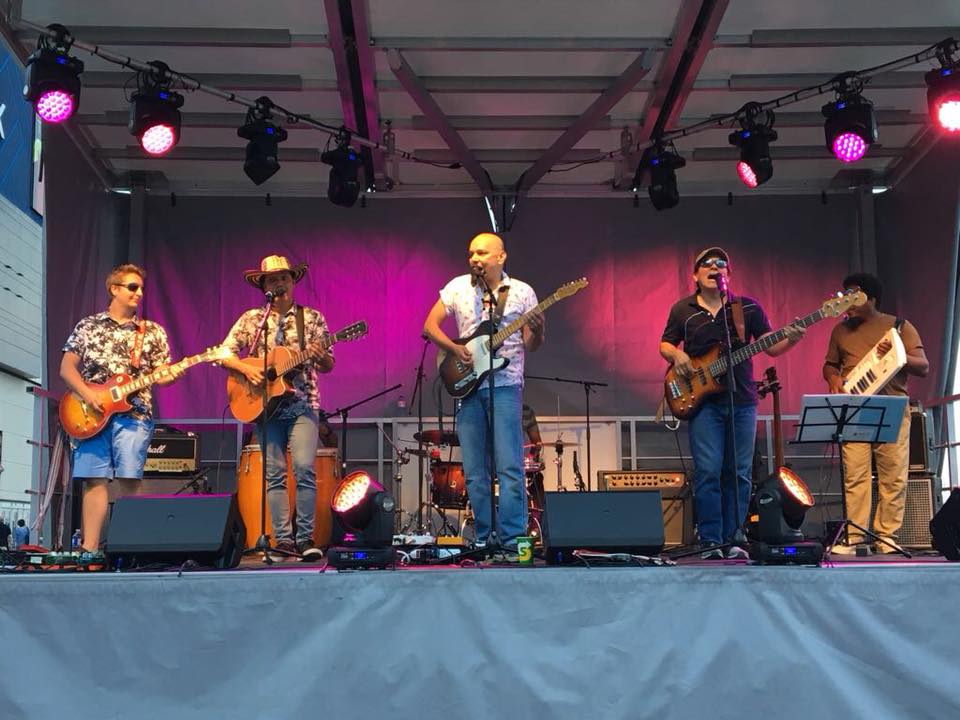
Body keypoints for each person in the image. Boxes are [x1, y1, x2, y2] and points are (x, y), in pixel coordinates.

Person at [659, 247, 805, 559]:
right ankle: (711, 540)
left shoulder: (746, 308)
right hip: (703, 403)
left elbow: (771, 345)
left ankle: (734, 538)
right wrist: (677, 354)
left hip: (742, 401)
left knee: (739, 472)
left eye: (721, 263)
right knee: (708, 471)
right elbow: (665, 344)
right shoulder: (682, 309)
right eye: (707, 264)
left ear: (728, 274)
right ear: (695, 275)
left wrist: (792, 337)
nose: (715, 267)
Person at [423, 233, 545, 554]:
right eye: (471, 253)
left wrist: (539, 329)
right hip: (469, 386)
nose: (474, 259)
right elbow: (429, 326)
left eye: (481, 253)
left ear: (501, 257)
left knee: (509, 467)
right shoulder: (457, 287)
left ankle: (512, 539)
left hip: (505, 385)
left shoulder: (521, 292)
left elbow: (531, 343)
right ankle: (484, 537)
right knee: (475, 471)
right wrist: (454, 349)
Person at [60, 263, 182, 553]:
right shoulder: (88, 326)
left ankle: (132, 546)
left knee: (130, 478)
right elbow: (67, 368)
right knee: (94, 479)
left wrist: (172, 374)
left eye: (141, 288)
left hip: (134, 414)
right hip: (91, 413)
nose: (139, 293)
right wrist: (88, 395)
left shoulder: (151, 332)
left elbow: (161, 374)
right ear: (114, 289)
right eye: (132, 287)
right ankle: (89, 548)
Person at [220, 255, 334, 560]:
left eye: (284, 277)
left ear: (293, 282)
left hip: (303, 403)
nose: (280, 283)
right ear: (264, 286)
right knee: (274, 475)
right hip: (265, 406)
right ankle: (283, 541)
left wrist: (320, 355)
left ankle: (305, 540)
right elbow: (224, 353)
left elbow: (329, 364)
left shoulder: (311, 318)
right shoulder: (252, 320)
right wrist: (247, 370)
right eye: (273, 279)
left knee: (304, 469)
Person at [822, 272, 928, 554]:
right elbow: (830, 365)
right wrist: (833, 378)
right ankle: (856, 537)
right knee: (855, 474)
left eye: (853, 295)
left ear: (871, 298)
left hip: (892, 406)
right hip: (855, 407)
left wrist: (898, 353)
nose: (847, 301)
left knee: (893, 474)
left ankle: (886, 536)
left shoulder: (899, 326)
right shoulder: (840, 331)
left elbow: (923, 366)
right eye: (844, 296)